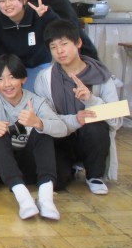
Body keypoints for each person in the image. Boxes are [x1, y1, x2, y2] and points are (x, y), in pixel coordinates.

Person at [35, 19, 123, 193]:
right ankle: (71, 167)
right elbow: (45, 117)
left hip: (89, 138)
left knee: (95, 126)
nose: (59, 51)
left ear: (78, 43)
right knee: (56, 183)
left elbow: (117, 121)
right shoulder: (44, 78)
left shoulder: (102, 76)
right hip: (61, 137)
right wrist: (75, 119)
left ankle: (94, 176)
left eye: (64, 44)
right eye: (53, 47)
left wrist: (91, 100)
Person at [0, 54, 66, 220]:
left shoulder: (36, 101)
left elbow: (61, 129)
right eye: (0, 79)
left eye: (12, 77)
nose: (7, 84)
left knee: (42, 131)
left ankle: (46, 199)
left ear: (23, 79)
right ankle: (24, 199)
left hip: (31, 166)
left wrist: (38, 122)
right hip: (5, 170)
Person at [0, 0, 58, 90]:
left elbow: (61, 31)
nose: (7, 4)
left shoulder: (38, 14)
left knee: (36, 93)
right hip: (11, 69)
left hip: (37, 65)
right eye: (2, 1)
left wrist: (47, 16)